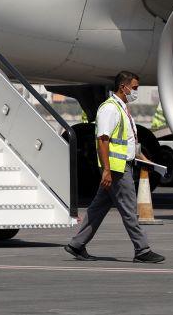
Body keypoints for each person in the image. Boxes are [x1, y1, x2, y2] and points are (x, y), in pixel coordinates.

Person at [65, 71, 166, 264]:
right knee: (129, 210)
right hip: (117, 170)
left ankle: (77, 244)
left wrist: (146, 159)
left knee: (97, 208)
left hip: (121, 166)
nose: (135, 92)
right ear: (123, 87)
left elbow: (128, 142)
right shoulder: (110, 109)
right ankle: (142, 249)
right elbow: (103, 140)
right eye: (134, 88)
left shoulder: (122, 109)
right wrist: (107, 170)